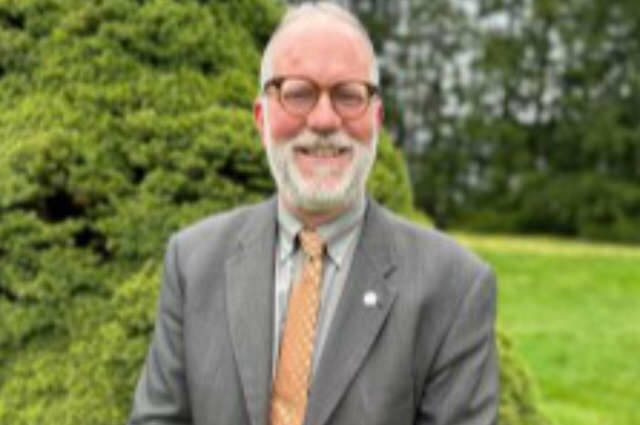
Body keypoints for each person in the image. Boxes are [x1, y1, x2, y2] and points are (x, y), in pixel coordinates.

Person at [128, 3, 498, 425]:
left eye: (348, 95)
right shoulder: (193, 263)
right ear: (261, 118)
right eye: (298, 93)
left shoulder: (454, 288)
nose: (324, 119)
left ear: (377, 119)